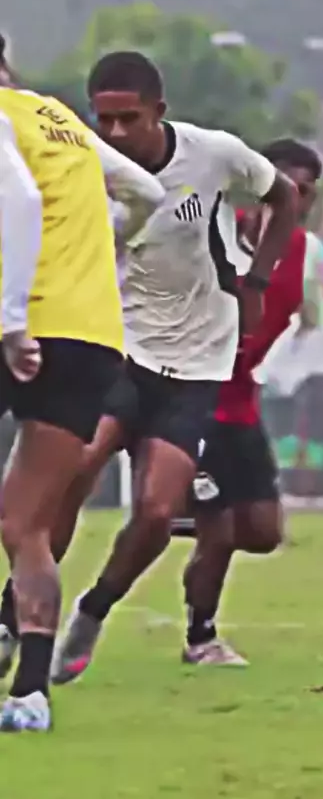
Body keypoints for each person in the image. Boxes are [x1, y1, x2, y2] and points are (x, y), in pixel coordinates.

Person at [0, 50, 295, 686]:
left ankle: (93, 610)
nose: (114, 133)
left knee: (159, 510)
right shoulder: (86, 160)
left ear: (159, 111)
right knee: (70, 472)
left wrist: (258, 281)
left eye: (128, 119)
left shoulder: (215, 154)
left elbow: (285, 195)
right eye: (103, 119)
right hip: (125, 344)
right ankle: (13, 619)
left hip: (197, 359)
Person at [0, 37, 165, 731]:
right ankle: (30, 693)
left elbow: (18, 199)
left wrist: (13, 322)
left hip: (25, 328)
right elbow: (147, 192)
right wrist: (108, 244)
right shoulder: (58, 118)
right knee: (25, 523)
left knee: (21, 518)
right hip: (92, 335)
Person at [181, 139, 323, 665]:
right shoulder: (213, 234)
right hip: (192, 400)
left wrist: (277, 371)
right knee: (218, 532)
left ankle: (179, 517)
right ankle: (201, 638)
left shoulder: (308, 255)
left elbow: (310, 324)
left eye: (303, 191)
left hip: (242, 407)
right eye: (282, 185)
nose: (291, 198)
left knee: (263, 534)